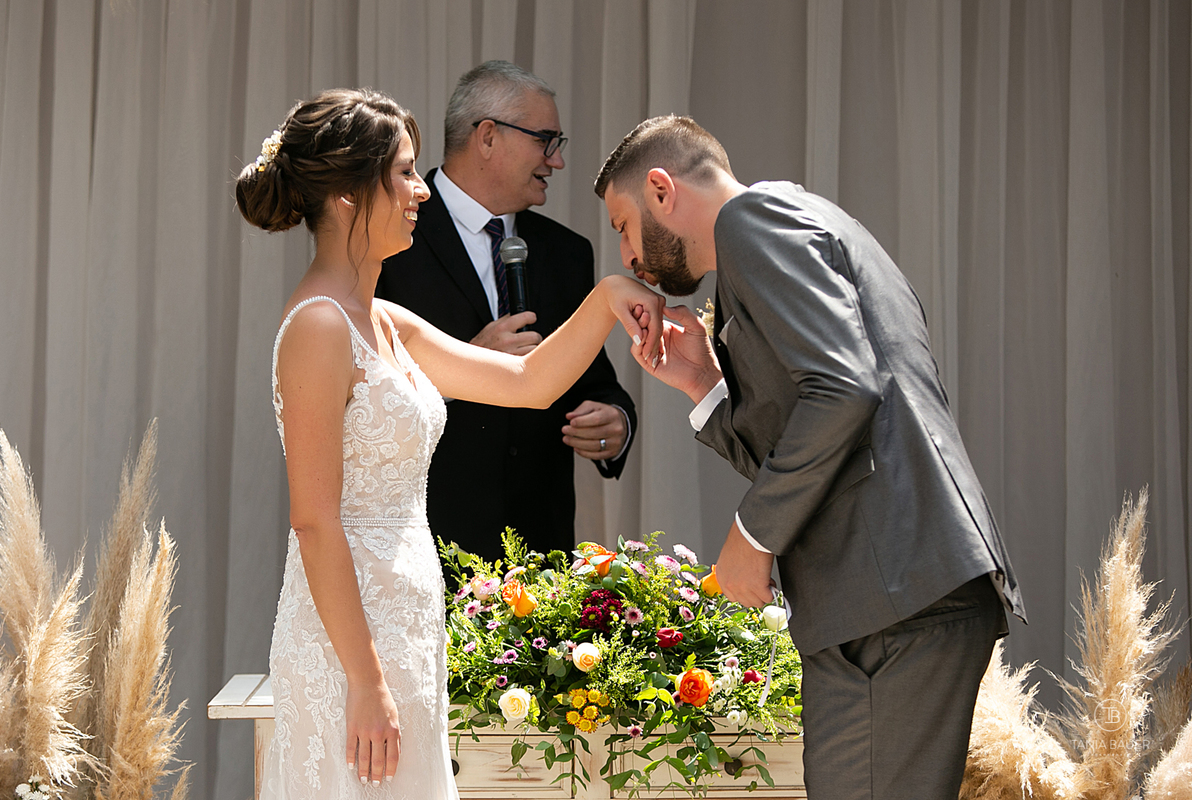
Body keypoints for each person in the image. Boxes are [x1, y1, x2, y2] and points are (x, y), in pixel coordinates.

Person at [235, 88, 661, 799]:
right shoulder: (318, 327)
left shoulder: (385, 322)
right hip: (351, 643)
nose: (419, 192)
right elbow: (314, 521)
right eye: (403, 173)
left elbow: (527, 379)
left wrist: (610, 296)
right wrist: (366, 682)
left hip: (410, 624)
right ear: (345, 195)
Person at [594, 115, 1027, 800]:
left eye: (622, 224)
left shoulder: (753, 222)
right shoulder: (791, 228)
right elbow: (819, 434)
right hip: (884, 592)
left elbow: (845, 388)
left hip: (895, 590)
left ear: (660, 189)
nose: (628, 256)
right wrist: (703, 383)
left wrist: (751, 535)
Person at [376, 61, 636, 560]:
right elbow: (358, 393)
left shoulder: (567, 252)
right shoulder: (390, 238)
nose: (555, 161)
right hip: (425, 547)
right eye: (545, 140)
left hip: (540, 554)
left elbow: (592, 378)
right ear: (488, 137)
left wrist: (616, 419)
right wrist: (469, 360)